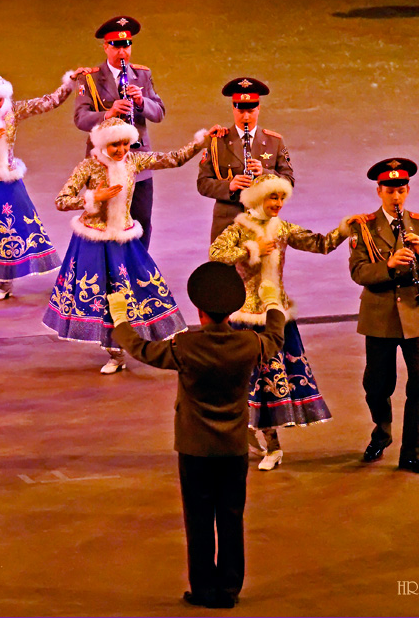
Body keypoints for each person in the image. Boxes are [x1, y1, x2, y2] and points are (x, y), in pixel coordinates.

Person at [109, 261, 286, 609]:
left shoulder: (184, 347)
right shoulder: (249, 345)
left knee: (199, 520)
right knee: (232, 519)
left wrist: (120, 320)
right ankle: (229, 591)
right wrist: (273, 304)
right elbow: (275, 338)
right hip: (233, 448)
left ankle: (203, 589)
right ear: (231, 310)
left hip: (195, 448)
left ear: (200, 312)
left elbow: (142, 350)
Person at [43, 117, 217, 374]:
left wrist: (201, 141)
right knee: (101, 295)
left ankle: (136, 342)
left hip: (124, 240)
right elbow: (62, 200)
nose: (122, 150)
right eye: (115, 145)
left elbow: (174, 158)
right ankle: (114, 352)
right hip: (93, 240)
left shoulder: (134, 161)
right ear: (103, 145)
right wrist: (93, 198)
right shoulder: (88, 167)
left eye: (126, 144)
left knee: (137, 288)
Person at [209, 174, 350, 470]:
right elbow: (216, 254)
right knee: (246, 384)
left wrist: (344, 231)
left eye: (281, 198)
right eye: (273, 197)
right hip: (246, 316)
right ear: (258, 197)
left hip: (276, 318)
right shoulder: (239, 227)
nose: (278, 204)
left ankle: (273, 447)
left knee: (270, 382)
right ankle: (251, 433)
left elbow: (320, 244)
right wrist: (251, 250)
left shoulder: (283, 228)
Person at [0, 68, 87, 301]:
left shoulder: (13, 110)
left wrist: (70, 82)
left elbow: (49, 102)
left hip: (8, 181)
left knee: (8, 229)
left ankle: (3, 284)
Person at [348, 158, 419, 474]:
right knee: (376, 384)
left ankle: (411, 452)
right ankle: (382, 430)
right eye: (390, 190)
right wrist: (387, 266)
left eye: (401, 190)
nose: (396, 197)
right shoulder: (364, 227)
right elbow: (358, 272)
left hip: (415, 316)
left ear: (408, 190)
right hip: (380, 316)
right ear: (379, 191)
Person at [74, 16, 165, 249]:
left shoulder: (142, 74)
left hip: (137, 158)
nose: (122, 52)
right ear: (106, 47)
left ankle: (139, 271)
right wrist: (109, 113)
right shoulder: (90, 78)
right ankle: (109, 271)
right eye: (116, 46)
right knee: (103, 220)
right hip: (102, 162)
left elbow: (159, 113)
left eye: (126, 46)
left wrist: (141, 101)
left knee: (142, 218)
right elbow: (80, 118)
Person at [197, 78, 294, 242]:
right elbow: (203, 184)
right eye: (241, 111)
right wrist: (230, 186)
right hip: (226, 225)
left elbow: (289, 181)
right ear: (233, 109)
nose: (246, 117)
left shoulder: (274, 141)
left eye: (250, 111)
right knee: (223, 268)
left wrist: (265, 173)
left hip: (262, 223)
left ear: (259, 109)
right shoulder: (217, 141)